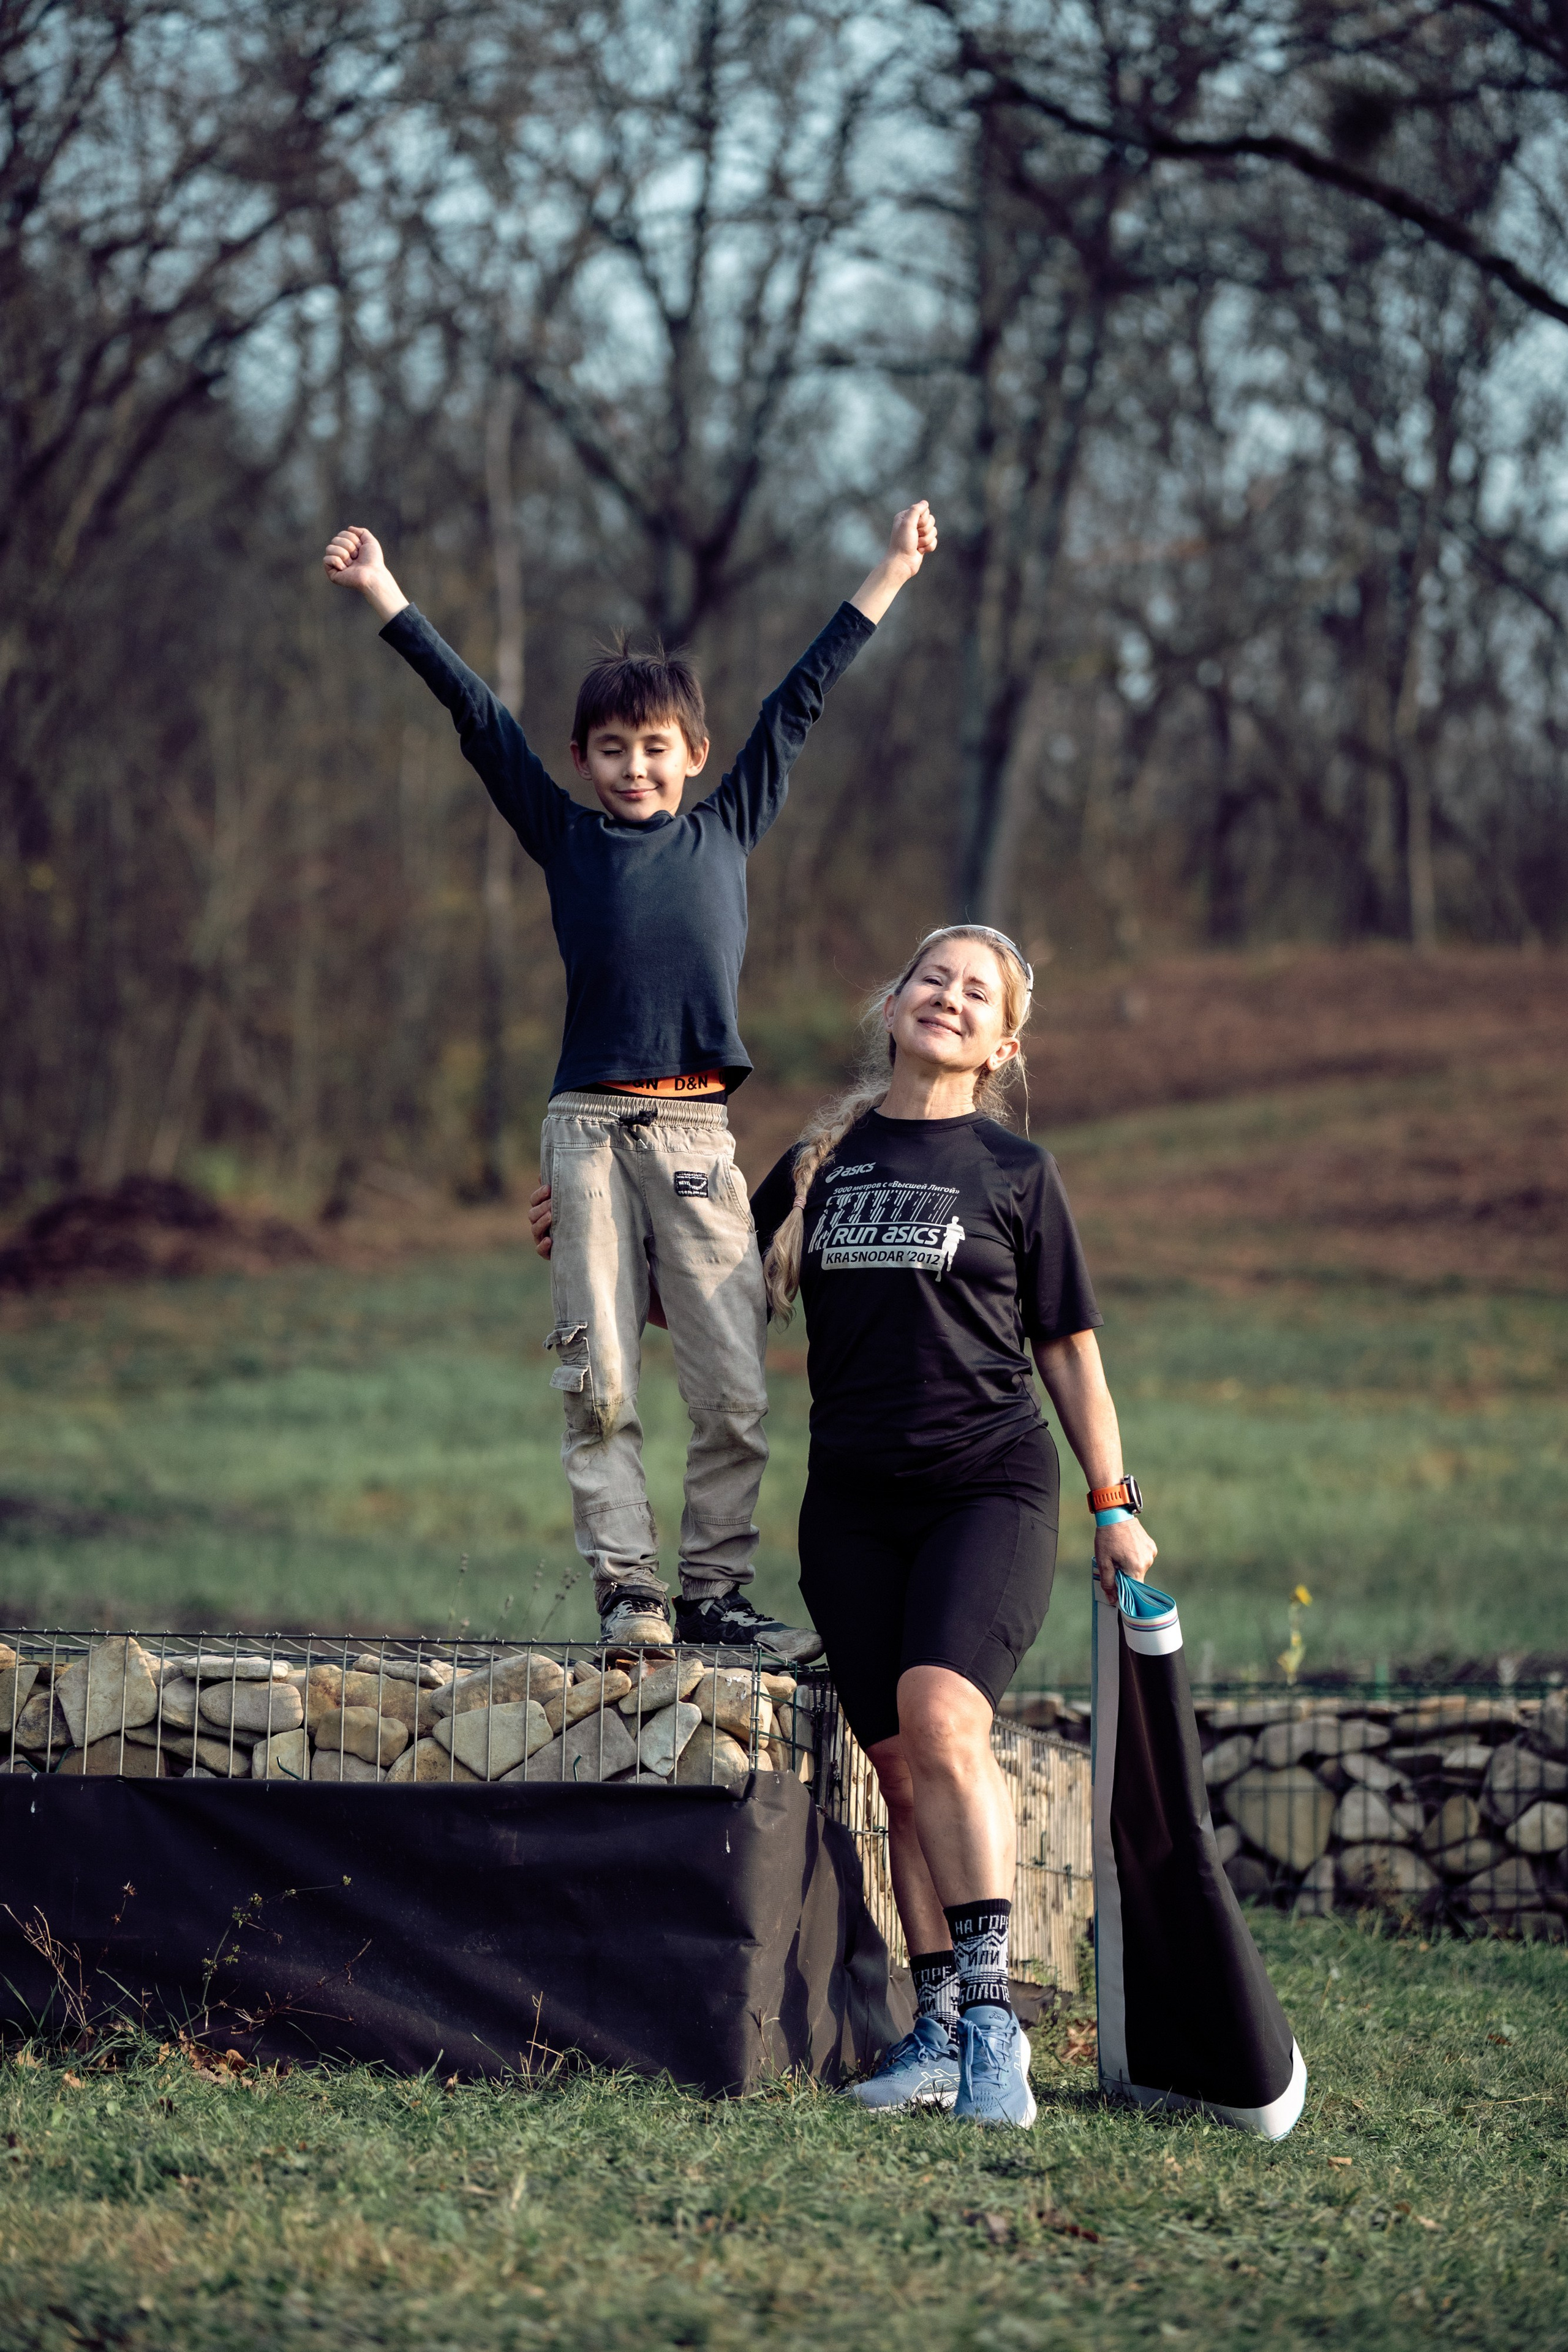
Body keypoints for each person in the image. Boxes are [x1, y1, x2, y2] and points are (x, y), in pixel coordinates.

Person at [533, 923, 1159, 2126]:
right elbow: (708, 1306)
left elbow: (1069, 1352)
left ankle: (990, 2031)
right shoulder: (822, 1158)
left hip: (989, 1488)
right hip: (852, 1509)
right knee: (899, 1775)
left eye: (976, 991)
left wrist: (1114, 1507)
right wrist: (594, 1242)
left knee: (940, 1719)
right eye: (932, 977)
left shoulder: (1016, 1174)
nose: (947, 997)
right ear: (892, 1001)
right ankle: (931, 2034)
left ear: (1001, 1042)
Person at [323, 507, 938, 1657]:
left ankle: (710, 1592)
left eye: (657, 747)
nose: (635, 766)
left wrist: (892, 570)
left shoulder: (728, 828)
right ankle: (630, 1597)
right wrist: (385, 592)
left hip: (698, 1135)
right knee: (597, 1382)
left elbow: (800, 696)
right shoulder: (562, 836)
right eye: (612, 749)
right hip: (588, 1132)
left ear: (694, 756)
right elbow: (477, 717)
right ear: (582, 761)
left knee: (736, 1394)